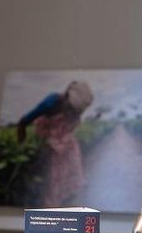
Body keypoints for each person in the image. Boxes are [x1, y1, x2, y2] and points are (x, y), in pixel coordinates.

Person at [16, 79, 94, 207]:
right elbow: (25, 120)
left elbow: (70, 127)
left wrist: (63, 140)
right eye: (71, 107)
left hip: (65, 141)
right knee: (53, 174)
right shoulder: (51, 102)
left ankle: (66, 193)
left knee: (71, 167)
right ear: (66, 97)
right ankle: (54, 200)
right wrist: (22, 134)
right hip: (50, 138)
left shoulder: (75, 112)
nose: (72, 111)